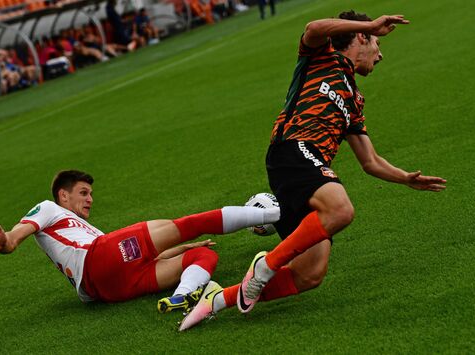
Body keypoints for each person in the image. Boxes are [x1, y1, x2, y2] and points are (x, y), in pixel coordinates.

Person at [179, 10, 447, 331]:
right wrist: (371, 24)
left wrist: (406, 178)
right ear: (360, 38)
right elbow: (314, 27)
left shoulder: (354, 99)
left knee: (310, 274)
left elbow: (370, 161)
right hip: (291, 151)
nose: (381, 53)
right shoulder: (321, 57)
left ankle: (217, 299)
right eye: (376, 43)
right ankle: (265, 266)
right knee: (341, 209)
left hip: (308, 171)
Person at [0, 170, 280, 312]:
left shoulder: (87, 231)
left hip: (111, 288)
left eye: (91, 194)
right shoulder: (48, 207)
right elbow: (15, 238)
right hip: (97, 261)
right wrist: (6, 241)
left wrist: (182, 250)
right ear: (63, 195)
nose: (90, 199)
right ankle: (280, 212)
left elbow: (136, 258)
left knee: (202, 256)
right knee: (190, 225)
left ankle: (182, 297)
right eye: (84, 192)